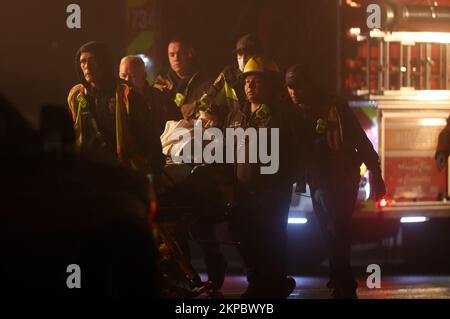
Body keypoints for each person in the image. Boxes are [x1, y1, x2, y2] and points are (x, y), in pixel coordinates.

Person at [285, 64, 386, 299]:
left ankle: (344, 280)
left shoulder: (334, 107)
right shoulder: (292, 112)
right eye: (290, 87)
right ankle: (339, 274)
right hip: (317, 180)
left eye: (298, 86)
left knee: (336, 228)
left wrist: (376, 173)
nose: (294, 92)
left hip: (340, 178)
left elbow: (360, 140)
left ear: (309, 84)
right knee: (329, 231)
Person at [225, 56, 296, 299]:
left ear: (269, 86)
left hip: (271, 192)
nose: (249, 86)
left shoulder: (281, 117)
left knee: (272, 237)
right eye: (246, 81)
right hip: (243, 192)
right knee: (245, 239)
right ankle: (257, 283)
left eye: (256, 81)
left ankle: (275, 283)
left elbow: (290, 154)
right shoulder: (235, 117)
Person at [67, 41, 165, 176]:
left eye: (92, 60)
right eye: (82, 62)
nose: (87, 66)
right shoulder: (77, 96)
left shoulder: (127, 94)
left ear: (103, 62)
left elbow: (149, 137)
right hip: (90, 172)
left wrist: (153, 171)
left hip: (125, 172)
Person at [119, 55, 182, 135]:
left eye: (133, 76)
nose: (127, 80)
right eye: (123, 75)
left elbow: (178, 125)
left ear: (144, 76)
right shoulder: (116, 102)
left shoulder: (161, 98)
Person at [153, 38, 211, 121]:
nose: (176, 58)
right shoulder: (160, 84)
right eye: (172, 55)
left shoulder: (204, 84)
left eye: (180, 53)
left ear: (189, 54)